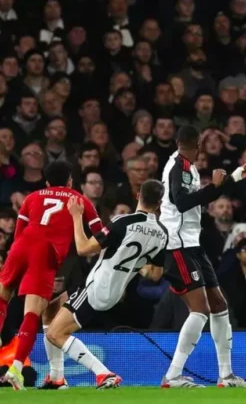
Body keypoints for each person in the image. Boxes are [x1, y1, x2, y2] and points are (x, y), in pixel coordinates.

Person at [45, 179, 169, 389]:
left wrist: (76, 216)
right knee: (51, 314)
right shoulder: (162, 233)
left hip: (97, 286)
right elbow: (155, 274)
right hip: (116, 291)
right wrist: (133, 263)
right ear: (160, 203)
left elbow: (84, 248)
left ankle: (104, 373)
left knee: (55, 333)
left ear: (137, 195)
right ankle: (56, 378)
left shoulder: (124, 222)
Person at [159, 125, 246, 388]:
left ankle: (226, 377)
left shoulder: (187, 166)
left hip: (192, 243)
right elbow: (181, 203)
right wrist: (214, 186)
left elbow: (206, 194)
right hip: (176, 245)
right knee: (200, 309)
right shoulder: (178, 168)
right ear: (198, 144)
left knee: (219, 305)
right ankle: (172, 376)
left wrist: (235, 175)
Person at [0, 160, 103, 391]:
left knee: (2, 297)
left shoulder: (32, 197)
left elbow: (17, 235)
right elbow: (100, 232)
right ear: (70, 181)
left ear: (46, 181)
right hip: (44, 252)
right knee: (32, 312)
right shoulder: (79, 199)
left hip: (21, 245)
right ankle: (15, 368)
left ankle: (50, 376)